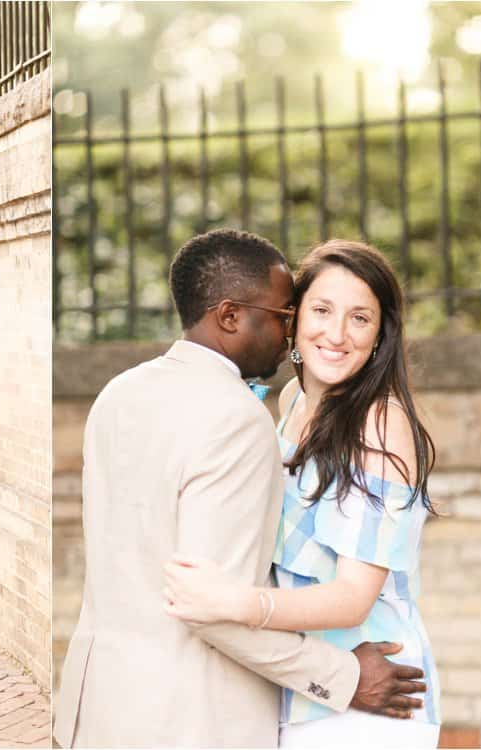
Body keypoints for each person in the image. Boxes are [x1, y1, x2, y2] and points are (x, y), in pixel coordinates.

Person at [53, 229, 426, 749]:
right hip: (199, 714)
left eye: (360, 317)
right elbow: (207, 607)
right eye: (296, 315)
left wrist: (336, 672)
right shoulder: (261, 412)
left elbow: (236, 598)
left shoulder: (120, 392)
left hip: (110, 705)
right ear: (231, 316)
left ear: (381, 332)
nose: (325, 331)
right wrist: (341, 676)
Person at [164, 239, 441, 748]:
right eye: (321, 310)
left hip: (372, 688)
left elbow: (353, 598)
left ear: (381, 335)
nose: (336, 334)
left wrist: (234, 603)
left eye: (360, 318)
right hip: (309, 685)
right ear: (293, 320)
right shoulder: (291, 401)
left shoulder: (380, 423)